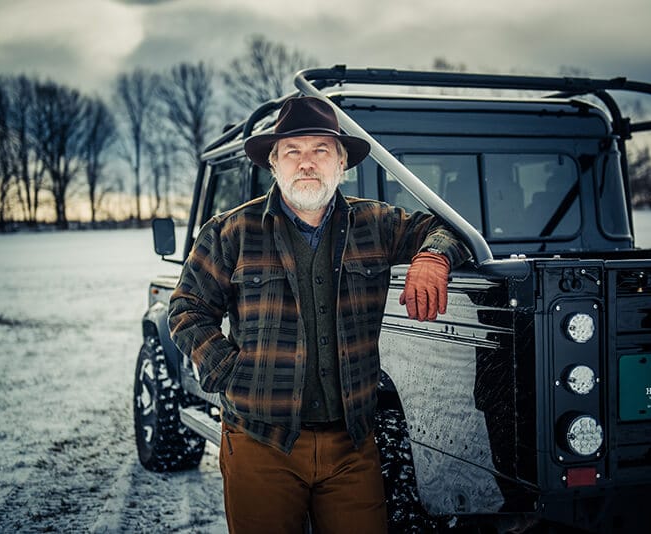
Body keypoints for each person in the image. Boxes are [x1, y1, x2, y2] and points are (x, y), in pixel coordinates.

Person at [168, 96, 470, 534]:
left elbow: (449, 227)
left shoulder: (377, 223)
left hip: (351, 447)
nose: (306, 163)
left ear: (342, 162)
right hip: (260, 443)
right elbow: (187, 308)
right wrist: (229, 372)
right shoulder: (232, 230)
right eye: (292, 151)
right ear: (274, 164)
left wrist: (433, 258)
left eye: (320, 150)